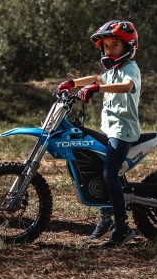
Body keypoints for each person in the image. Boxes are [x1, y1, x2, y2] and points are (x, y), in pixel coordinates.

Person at [56, 20, 142, 247]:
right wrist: (71, 83)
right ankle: (105, 220)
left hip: (123, 132)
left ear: (128, 46)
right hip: (109, 129)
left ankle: (122, 228)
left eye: (115, 45)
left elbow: (125, 86)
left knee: (109, 174)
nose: (109, 50)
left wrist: (97, 89)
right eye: (105, 46)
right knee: (92, 164)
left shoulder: (129, 69)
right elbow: (95, 78)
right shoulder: (112, 71)